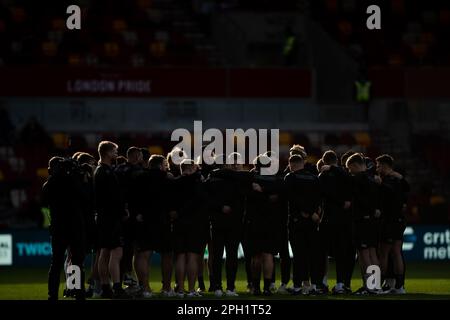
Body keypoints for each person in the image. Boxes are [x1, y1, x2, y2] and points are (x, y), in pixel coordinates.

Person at [43, 157, 86, 301]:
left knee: (56, 262)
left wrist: (58, 175)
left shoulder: (50, 183)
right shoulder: (71, 181)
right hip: (74, 227)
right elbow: (83, 196)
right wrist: (71, 174)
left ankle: (52, 295)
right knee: (77, 261)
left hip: (59, 228)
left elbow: (45, 197)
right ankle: (78, 293)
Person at [94, 141, 129, 299]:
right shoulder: (106, 172)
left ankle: (105, 287)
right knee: (116, 252)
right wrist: (122, 211)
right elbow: (112, 197)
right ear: (108, 153)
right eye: (115, 151)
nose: (117, 153)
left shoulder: (99, 170)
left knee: (105, 252)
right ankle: (117, 287)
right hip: (111, 218)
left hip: (103, 218)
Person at [205, 154, 244, 297]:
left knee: (217, 256)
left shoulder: (211, 179)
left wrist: (220, 207)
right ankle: (230, 287)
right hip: (233, 222)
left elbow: (207, 200)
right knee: (231, 256)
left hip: (217, 222)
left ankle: (217, 287)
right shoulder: (237, 179)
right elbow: (241, 200)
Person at [284, 154, 324, 295]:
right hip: (313, 221)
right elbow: (319, 198)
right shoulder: (314, 177)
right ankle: (314, 286)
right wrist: (314, 213)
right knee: (314, 254)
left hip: (297, 221)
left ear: (291, 164)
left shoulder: (290, 177)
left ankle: (298, 285)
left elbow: (291, 197)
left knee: (299, 255)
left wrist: (306, 211)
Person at [319, 150, 354, 294]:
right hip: (343, 219)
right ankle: (341, 284)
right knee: (341, 253)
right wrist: (343, 202)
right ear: (337, 161)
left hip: (327, 218)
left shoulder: (323, 175)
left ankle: (322, 283)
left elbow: (322, 194)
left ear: (324, 161)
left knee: (322, 252)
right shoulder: (344, 175)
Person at [346, 153, 381, 295]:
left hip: (362, 220)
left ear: (355, 166)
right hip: (373, 221)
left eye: (349, 168)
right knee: (373, 253)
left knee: (364, 253)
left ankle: (370, 287)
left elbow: (359, 200)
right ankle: (376, 285)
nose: (349, 171)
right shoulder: (372, 179)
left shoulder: (358, 179)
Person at [172, 159, 208, 297]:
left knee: (180, 256)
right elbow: (202, 200)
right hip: (195, 224)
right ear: (192, 167)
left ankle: (180, 289)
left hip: (178, 223)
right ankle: (192, 290)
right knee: (192, 256)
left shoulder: (174, 182)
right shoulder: (198, 183)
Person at [376, 154, 409, 294]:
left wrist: (379, 184)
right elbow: (406, 191)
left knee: (383, 253)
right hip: (400, 220)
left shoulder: (388, 181)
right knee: (396, 253)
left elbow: (387, 196)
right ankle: (399, 286)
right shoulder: (399, 179)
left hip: (389, 220)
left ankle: (379, 285)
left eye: (378, 165)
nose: (377, 168)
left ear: (384, 165)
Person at [115, 147, 144, 290]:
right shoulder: (137, 172)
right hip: (133, 216)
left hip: (120, 215)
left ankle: (117, 282)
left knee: (120, 250)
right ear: (136, 156)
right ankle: (128, 276)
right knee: (131, 249)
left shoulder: (117, 170)